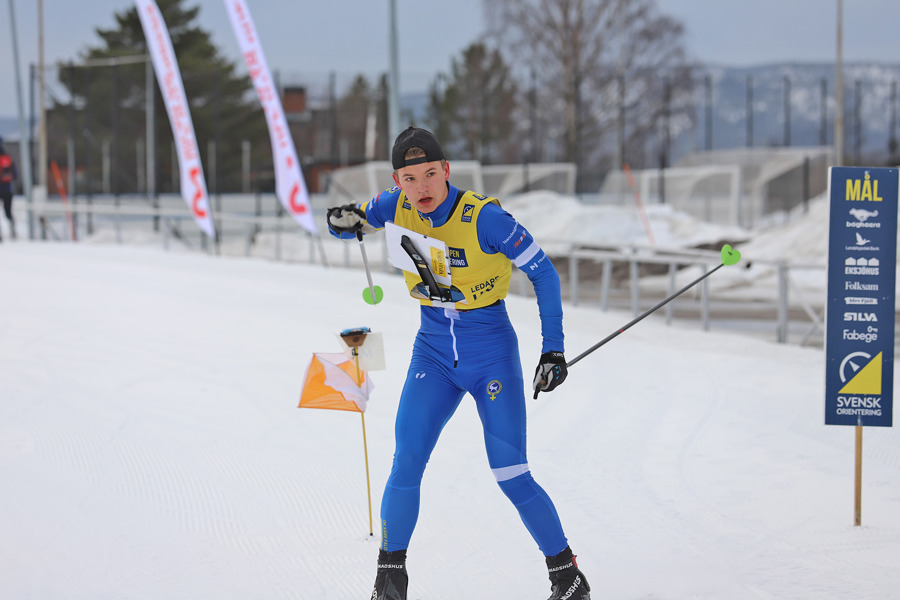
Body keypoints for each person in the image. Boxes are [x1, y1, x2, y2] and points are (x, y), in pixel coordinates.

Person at [327, 127, 591, 600]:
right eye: (411, 178)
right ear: (397, 180)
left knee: (510, 471)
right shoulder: (395, 204)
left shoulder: (485, 219)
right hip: (432, 353)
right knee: (406, 459)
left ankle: (567, 577)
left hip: (490, 353)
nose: (422, 187)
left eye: (430, 174)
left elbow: (544, 273)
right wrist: (340, 223)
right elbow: (352, 220)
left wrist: (553, 349)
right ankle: (390, 581)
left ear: (446, 171)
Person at [0, 137, 18, 242]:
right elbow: (15, 175)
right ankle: (13, 231)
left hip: (4, 189)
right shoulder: (7, 158)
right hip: (8, 190)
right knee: (8, 213)